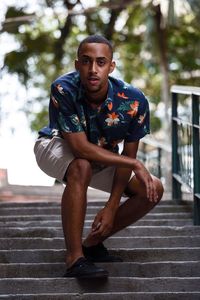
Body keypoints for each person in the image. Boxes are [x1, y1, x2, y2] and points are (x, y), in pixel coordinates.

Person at [34, 35, 164, 279]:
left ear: (111, 66)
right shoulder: (63, 88)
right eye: (86, 61)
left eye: (101, 62)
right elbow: (81, 149)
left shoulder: (134, 101)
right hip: (55, 145)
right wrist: (136, 163)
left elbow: (128, 153)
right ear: (77, 65)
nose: (93, 69)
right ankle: (74, 259)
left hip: (103, 156)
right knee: (81, 165)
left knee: (152, 187)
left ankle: (92, 245)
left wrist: (112, 206)